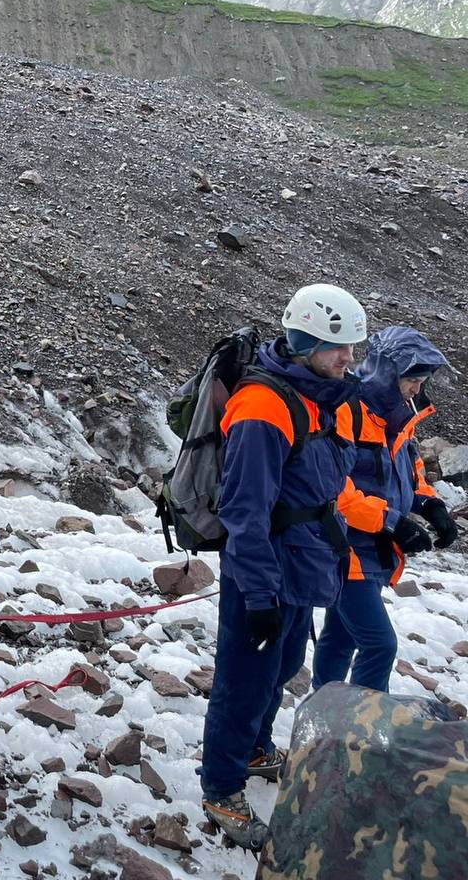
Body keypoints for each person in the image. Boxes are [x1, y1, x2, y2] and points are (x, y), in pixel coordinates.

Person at [200, 284, 366, 851]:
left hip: (303, 562)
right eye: (335, 346)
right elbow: (245, 512)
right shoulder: (263, 406)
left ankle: (251, 748)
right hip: (264, 569)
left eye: (352, 347)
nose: (348, 358)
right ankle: (222, 787)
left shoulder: (322, 396)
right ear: (302, 343)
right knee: (244, 682)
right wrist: (259, 595)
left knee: (284, 663)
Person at [313, 326, 454, 692]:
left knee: (340, 637)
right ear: (389, 374)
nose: (417, 390)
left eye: (422, 381)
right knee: (379, 644)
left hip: (374, 549)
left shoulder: (397, 416)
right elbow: (333, 489)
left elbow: (409, 468)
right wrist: (394, 523)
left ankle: (323, 721)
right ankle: (363, 729)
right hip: (344, 546)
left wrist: (430, 504)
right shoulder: (347, 410)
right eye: (413, 380)